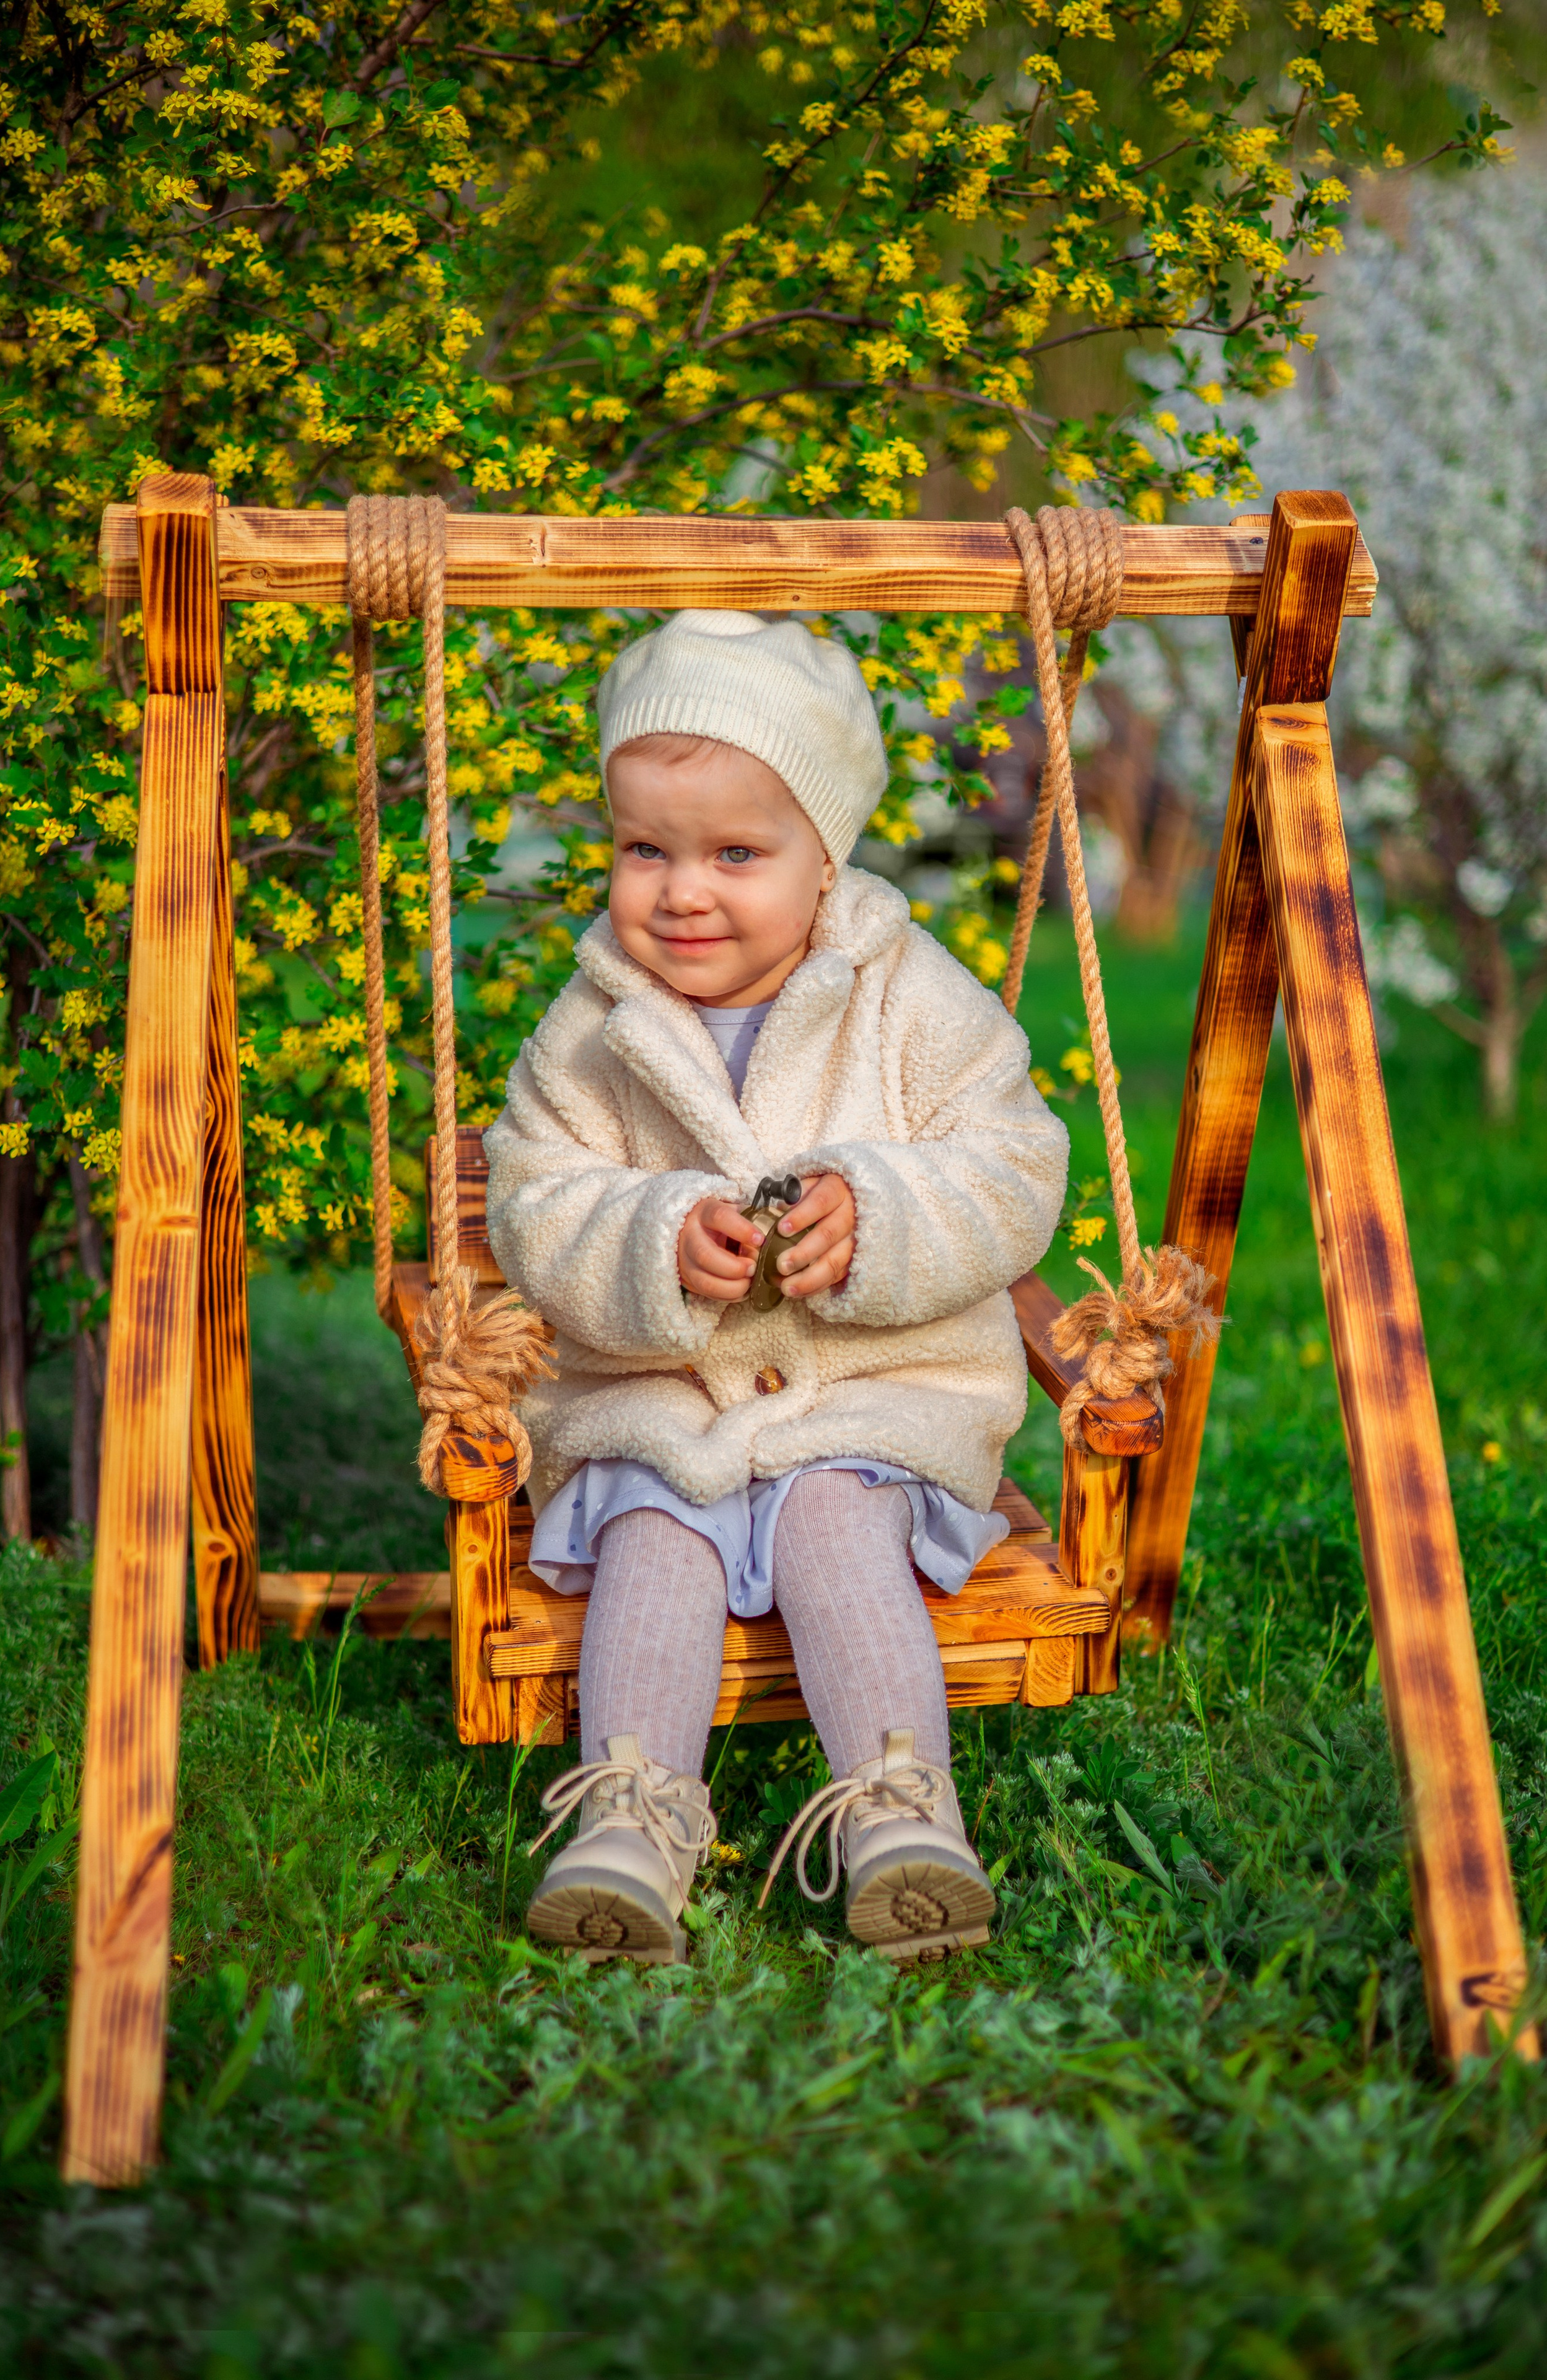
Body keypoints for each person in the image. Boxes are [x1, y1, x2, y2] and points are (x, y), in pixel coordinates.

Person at [483, 610, 1067, 1963]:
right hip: (663, 1400)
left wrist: (882, 1215)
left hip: (874, 1396)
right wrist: (651, 1241)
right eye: (646, 849)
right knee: (657, 1534)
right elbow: (534, 1200)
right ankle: (628, 1825)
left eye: (735, 854)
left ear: (826, 860)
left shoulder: (909, 996)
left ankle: (903, 1815)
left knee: (830, 1522)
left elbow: (1014, 1165)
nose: (681, 892)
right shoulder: (591, 1026)